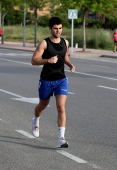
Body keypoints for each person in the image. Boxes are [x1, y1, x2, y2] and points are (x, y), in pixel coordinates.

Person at [31, 17, 75, 148]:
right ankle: (35, 120)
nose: (58, 31)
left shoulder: (65, 42)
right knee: (43, 105)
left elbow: (65, 56)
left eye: (60, 28)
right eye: (55, 28)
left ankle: (61, 138)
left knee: (61, 107)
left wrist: (70, 65)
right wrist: (47, 60)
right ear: (50, 29)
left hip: (61, 79)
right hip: (46, 80)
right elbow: (34, 60)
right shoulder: (44, 43)